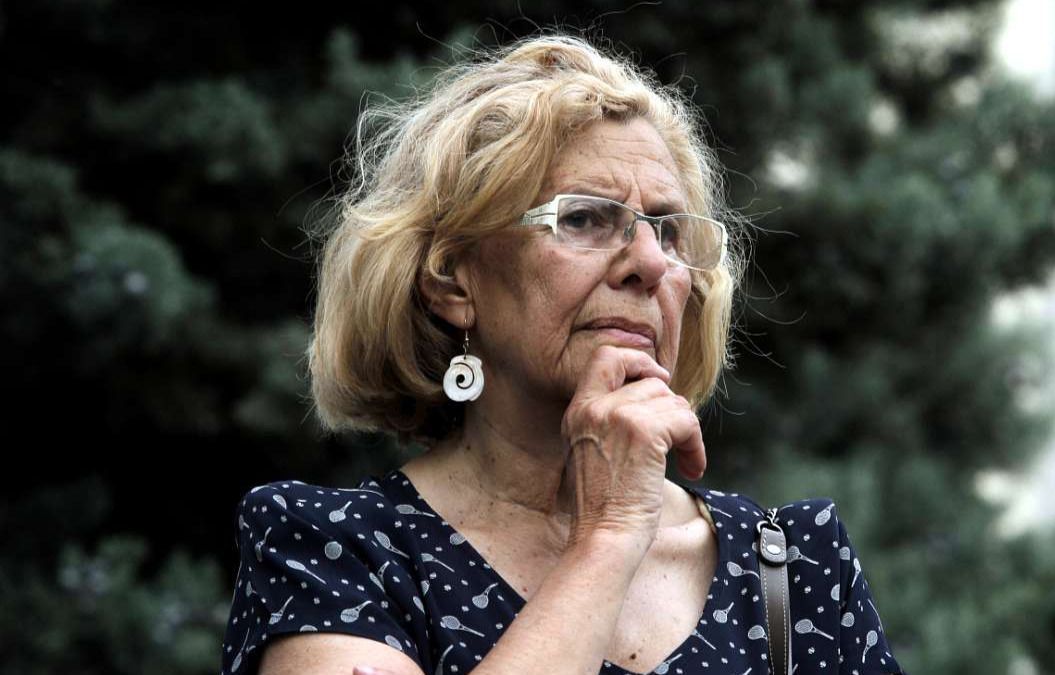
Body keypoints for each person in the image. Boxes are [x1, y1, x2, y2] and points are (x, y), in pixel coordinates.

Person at [218, 33, 906, 675]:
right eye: (583, 218)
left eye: (668, 231)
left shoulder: (793, 564)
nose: (650, 263)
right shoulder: (334, 548)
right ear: (452, 282)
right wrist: (608, 536)